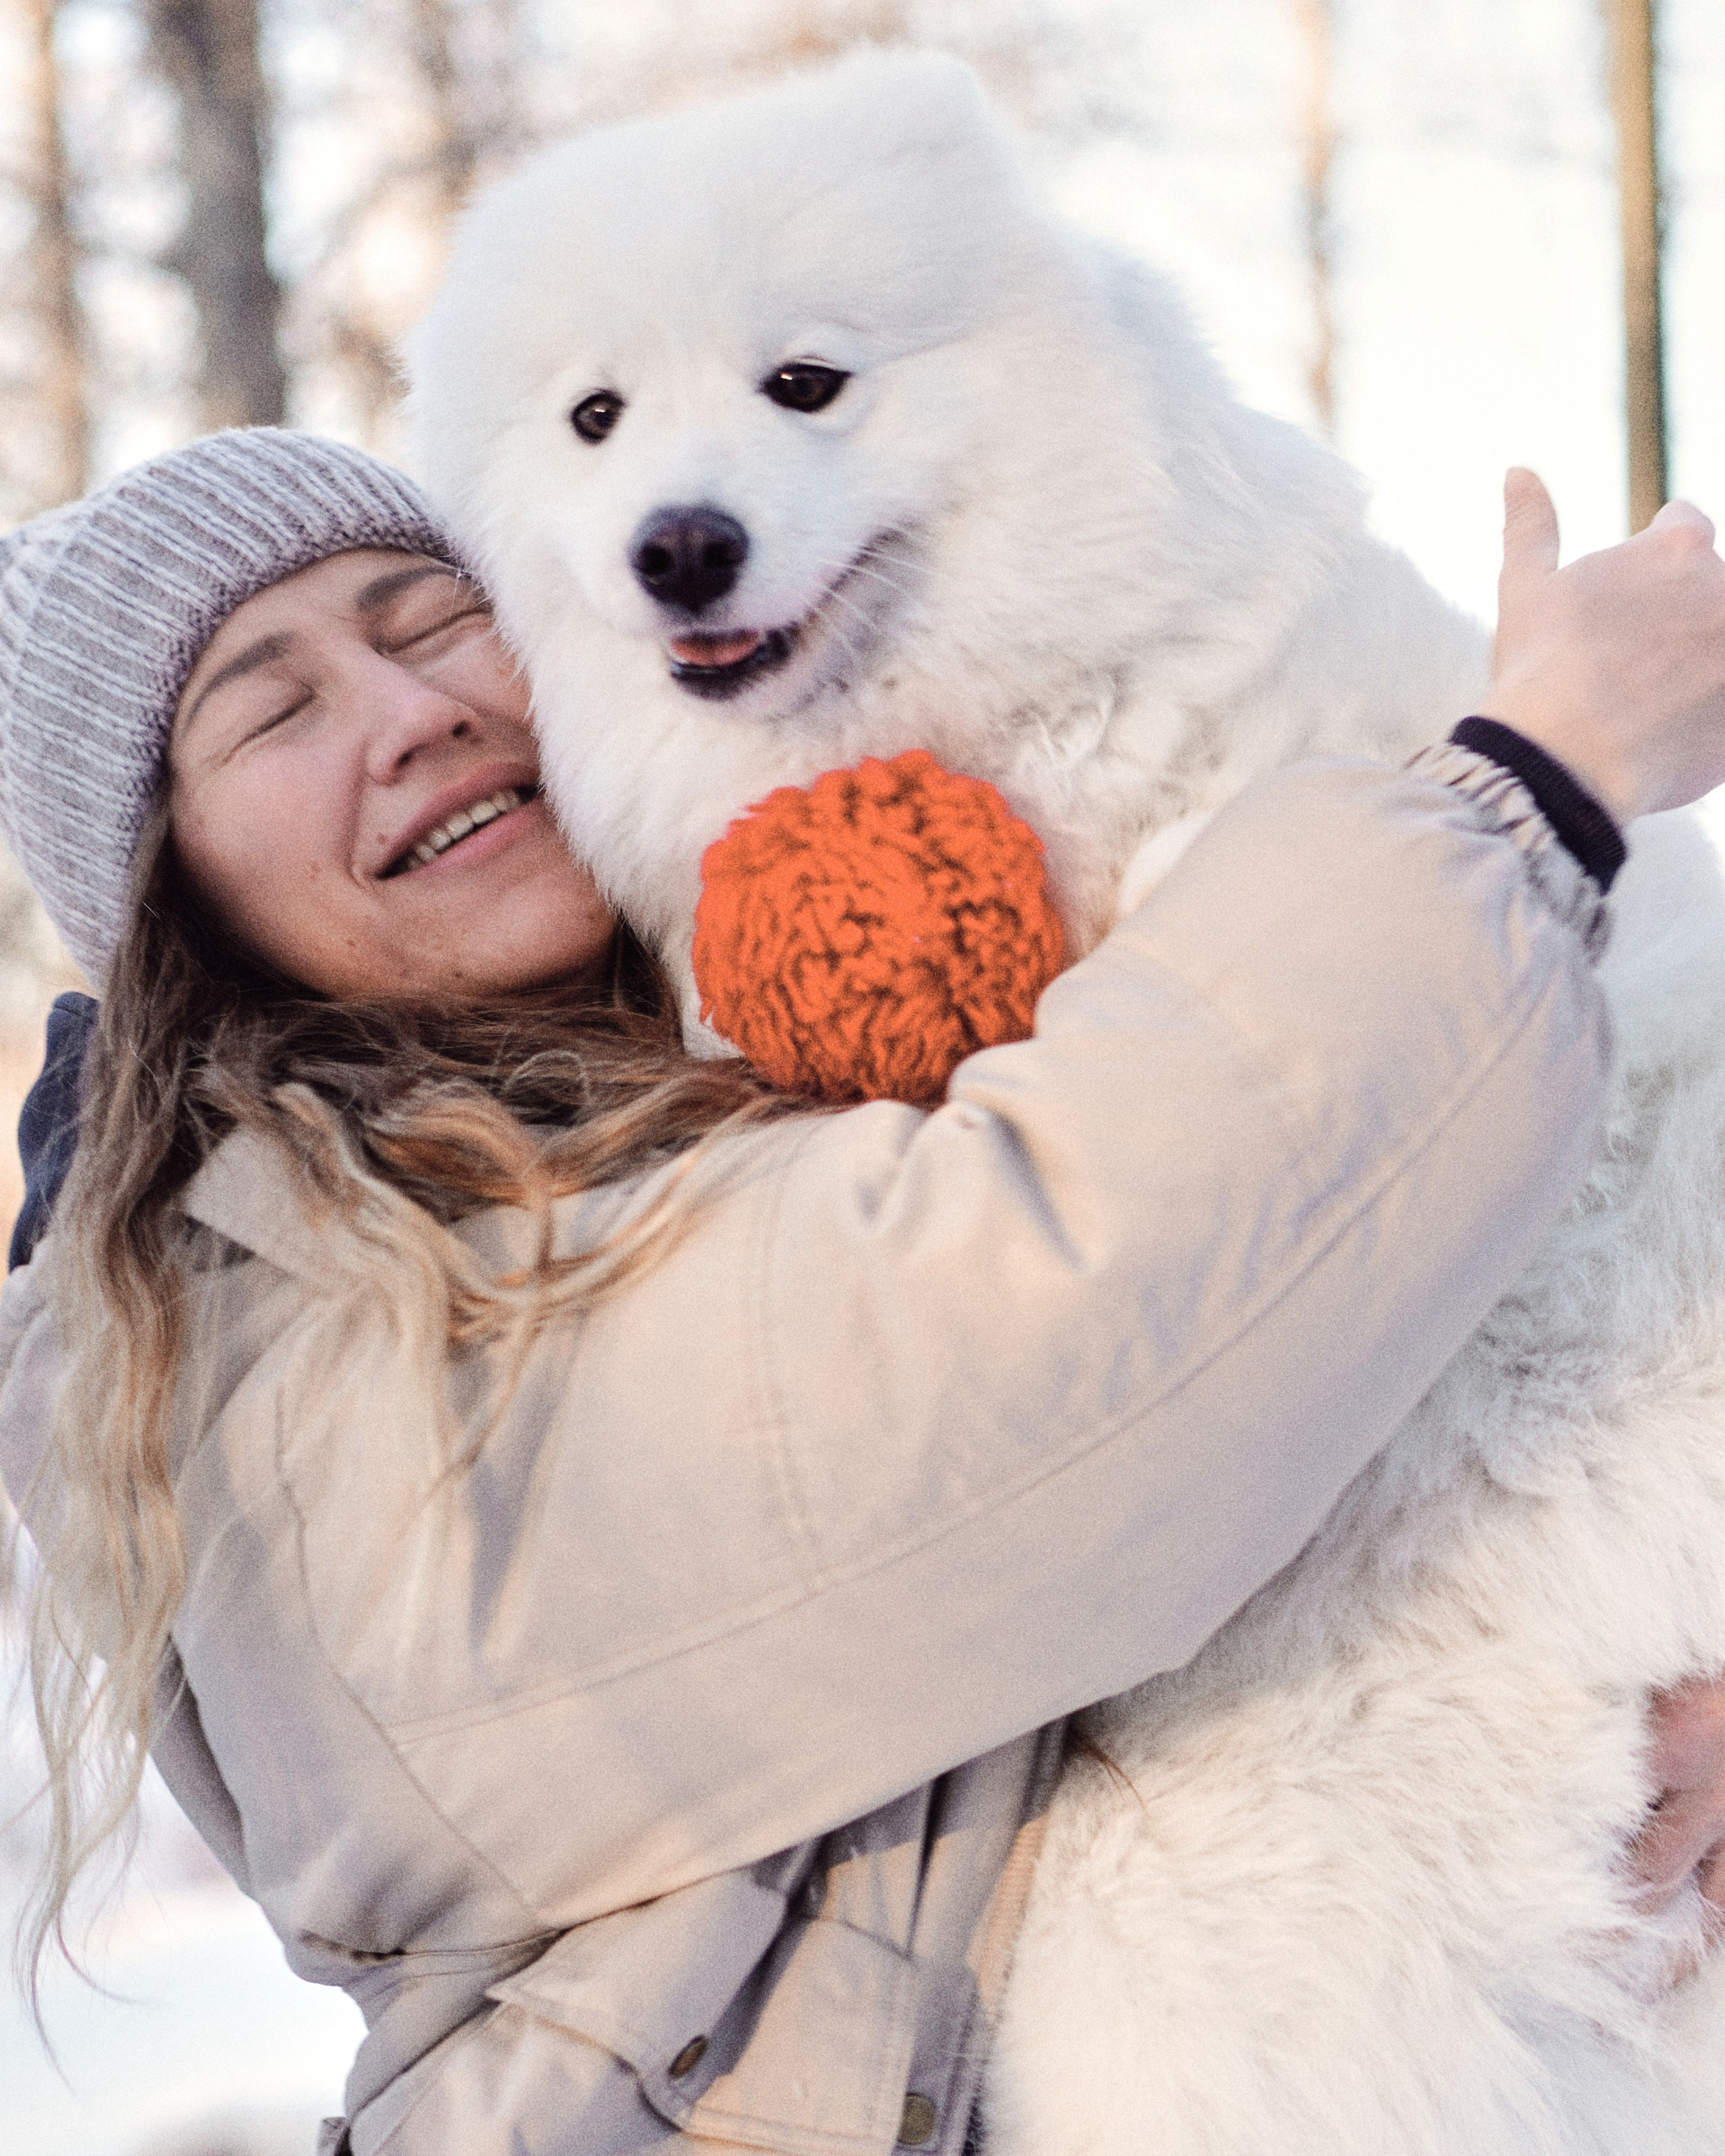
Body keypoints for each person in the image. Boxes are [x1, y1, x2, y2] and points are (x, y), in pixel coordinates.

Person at [3, 427, 1725, 2156]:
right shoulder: (273, 1370)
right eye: (270, 709)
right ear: (173, 900)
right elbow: (1040, 1359)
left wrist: (1618, 1671)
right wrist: (1530, 787)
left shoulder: (739, 1088)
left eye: (431, 618)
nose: (406, 708)